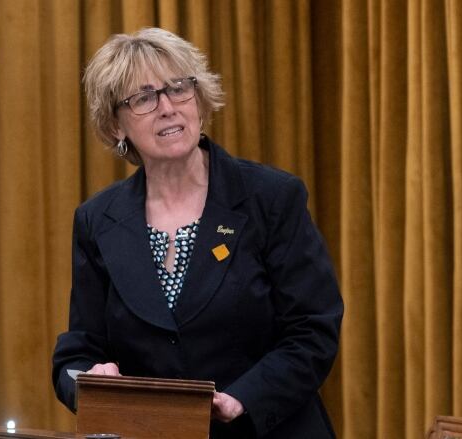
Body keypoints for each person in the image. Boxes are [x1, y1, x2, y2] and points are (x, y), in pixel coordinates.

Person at [52, 27, 343, 439]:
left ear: (200, 100)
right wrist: (91, 380)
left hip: (268, 430)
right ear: (116, 126)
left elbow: (313, 329)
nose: (167, 107)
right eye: (143, 98)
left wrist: (243, 396)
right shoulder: (97, 220)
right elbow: (79, 350)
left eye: (178, 88)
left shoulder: (271, 198)